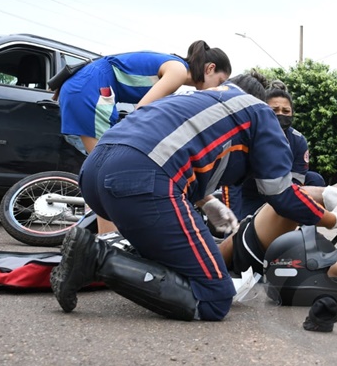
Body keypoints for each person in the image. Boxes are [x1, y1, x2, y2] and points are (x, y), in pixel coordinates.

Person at [50, 74, 337, 322]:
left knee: (174, 265)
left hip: (94, 171)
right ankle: (97, 258)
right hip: (140, 179)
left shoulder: (198, 99)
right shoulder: (258, 112)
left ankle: (104, 252)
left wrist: (206, 202)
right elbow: (282, 195)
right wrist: (335, 218)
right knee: (214, 296)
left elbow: (176, 150)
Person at [56, 40, 232, 235]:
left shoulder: (174, 67)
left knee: (105, 172)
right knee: (107, 173)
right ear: (210, 68)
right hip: (91, 88)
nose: (219, 89)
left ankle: (107, 243)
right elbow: (141, 111)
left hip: (87, 86)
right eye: (221, 81)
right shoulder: (178, 71)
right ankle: (107, 247)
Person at [227, 80, 316, 220]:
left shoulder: (298, 141)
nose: (280, 114)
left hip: (283, 192)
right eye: (274, 110)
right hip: (251, 194)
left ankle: (305, 225)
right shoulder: (249, 136)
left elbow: (297, 181)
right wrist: (232, 218)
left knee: (314, 179)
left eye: (286, 111)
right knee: (239, 231)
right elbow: (233, 183)